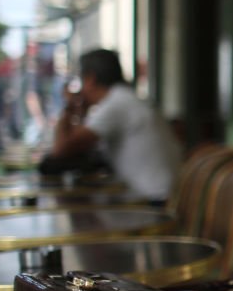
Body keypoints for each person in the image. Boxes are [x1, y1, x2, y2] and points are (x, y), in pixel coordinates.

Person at [49, 48, 181, 204]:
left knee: (81, 212)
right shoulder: (123, 98)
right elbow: (77, 143)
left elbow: (60, 150)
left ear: (91, 79)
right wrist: (79, 111)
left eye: (81, 81)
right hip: (160, 197)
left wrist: (69, 107)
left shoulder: (116, 105)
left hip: (156, 202)